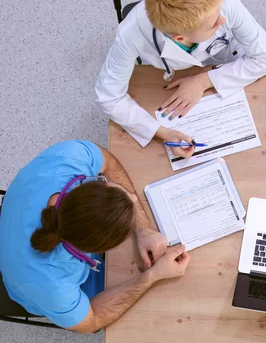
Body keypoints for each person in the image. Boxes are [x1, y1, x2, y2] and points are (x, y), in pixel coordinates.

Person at [0, 141, 190, 333]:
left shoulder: (67, 157)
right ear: (94, 250)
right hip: (27, 284)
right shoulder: (54, 286)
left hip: (13, 226)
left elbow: (107, 161)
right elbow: (92, 320)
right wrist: (153, 275)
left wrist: (143, 227)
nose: (133, 197)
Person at [96, 0, 266, 159]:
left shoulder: (224, 2)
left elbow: (265, 57)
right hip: (165, 82)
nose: (222, 21)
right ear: (180, 38)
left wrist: (204, 81)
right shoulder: (130, 34)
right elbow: (109, 97)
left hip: (228, 64)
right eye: (214, 24)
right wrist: (162, 132)